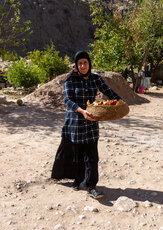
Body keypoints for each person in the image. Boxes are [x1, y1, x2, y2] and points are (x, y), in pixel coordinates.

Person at [51, 51, 121, 199]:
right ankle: (77, 180)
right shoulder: (70, 79)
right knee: (76, 152)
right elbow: (67, 100)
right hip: (75, 121)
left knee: (91, 155)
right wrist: (81, 111)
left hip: (91, 121)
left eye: (85, 63)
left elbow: (108, 91)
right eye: (80, 63)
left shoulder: (96, 78)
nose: (83, 66)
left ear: (89, 64)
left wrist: (120, 102)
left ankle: (91, 186)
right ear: (76, 65)